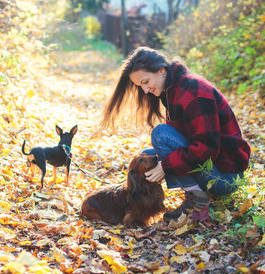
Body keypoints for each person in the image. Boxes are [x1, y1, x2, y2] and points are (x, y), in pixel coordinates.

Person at [101, 46, 251, 223]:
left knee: (161, 135)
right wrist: (162, 162)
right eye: (140, 86)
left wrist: (166, 166)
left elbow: (207, 148)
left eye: (145, 81)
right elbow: (186, 140)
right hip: (214, 168)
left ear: (161, 70)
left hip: (225, 177)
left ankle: (199, 204)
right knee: (149, 155)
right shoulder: (173, 90)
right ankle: (143, 205)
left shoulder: (193, 91)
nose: (145, 90)